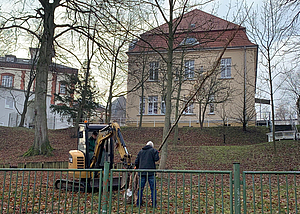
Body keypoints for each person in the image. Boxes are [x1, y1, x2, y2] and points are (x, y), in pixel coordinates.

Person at [134, 141, 159, 207]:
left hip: (142, 172)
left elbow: (136, 162)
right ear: (152, 146)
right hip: (151, 173)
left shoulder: (141, 151)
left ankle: (138, 204)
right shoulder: (154, 151)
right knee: (153, 189)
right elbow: (156, 159)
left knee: (140, 189)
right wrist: (157, 153)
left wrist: (138, 168)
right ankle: (154, 204)